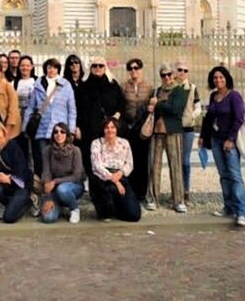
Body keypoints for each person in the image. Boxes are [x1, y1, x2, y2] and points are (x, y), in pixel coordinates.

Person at [199, 65, 245, 227]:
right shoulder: (214, 96)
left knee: (235, 175)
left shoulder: (234, 96)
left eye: (221, 77)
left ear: (227, 78)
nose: (218, 80)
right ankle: (228, 207)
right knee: (223, 175)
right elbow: (208, 118)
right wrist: (202, 136)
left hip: (229, 141)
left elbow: (239, 118)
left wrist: (231, 139)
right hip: (215, 140)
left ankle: (241, 211)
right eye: (215, 78)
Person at [146, 63, 188, 213]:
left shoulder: (179, 91)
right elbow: (156, 108)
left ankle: (178, 200)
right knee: (154, 166)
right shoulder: (157, 90)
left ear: (173, 75)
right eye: (164, 75)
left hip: (173, 131)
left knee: (175, 166)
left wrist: (158, 104)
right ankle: (153, 197)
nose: (167, 77)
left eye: (169, 74)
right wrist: (153, 107)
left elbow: (175, 110)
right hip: (157, 132)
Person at [24, 58, 77, 177]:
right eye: (49, 67)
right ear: (45, 69)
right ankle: (42, 185)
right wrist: (25, 127)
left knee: (59, 159)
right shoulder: (38, 85)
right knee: (42, 160)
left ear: (58, 69)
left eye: (54, 67)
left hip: (60, 129)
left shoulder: (66, 85)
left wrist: (71, 130)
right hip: (42, 128)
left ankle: (57, 185)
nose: (52, 70)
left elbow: (72, 110)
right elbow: (31, 107)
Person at [79, 56, 124, 180]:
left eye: (100, 65)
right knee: (91, 155)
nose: (97, 68)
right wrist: (77, 126)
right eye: (94, 66)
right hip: (89, 127)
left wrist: (117, 115)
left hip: (108, 127)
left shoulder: (112, 84)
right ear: (90, 68)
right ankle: (92, 181)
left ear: (105, 68)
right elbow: (77, 106)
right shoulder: (84, 85)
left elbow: (121, 102)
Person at [89, 118, 141, 222]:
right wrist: (116, 181)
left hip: (120, 175)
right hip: (102, 178)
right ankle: (105, 209)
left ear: (117, 129)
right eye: (107, 127)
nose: (110, 130)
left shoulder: (124, 143)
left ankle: (117, 208)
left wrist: (121, 173)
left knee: (134, 215)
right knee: (110, 193)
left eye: (113, 127)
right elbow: (96, 166)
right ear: (103, 129)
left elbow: (129, 163)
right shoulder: (96, 143)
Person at [0, 121, 33, 223]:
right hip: (6, 186)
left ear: (3, 132)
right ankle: (12, 205)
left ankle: (27, 203)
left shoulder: (13, 147)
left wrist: (7, 177)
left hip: (20, 186)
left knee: (8, 218)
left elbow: (21, 169)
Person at [121, 58, 154, 203]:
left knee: (142, 159)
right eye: (131, 68)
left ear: (141, 69)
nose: (134, 71)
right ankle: (130, 189)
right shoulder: (124, 86)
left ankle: (142, 191)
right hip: (128, 127)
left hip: (142, 128)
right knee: (128, 159)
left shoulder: (149, 87)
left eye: (136, 67)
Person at [39, 122, 85, 224]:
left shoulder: (75, 151)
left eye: (62, 132)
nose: (59, 134)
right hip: (54, 189)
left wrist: (55, 181)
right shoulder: (47, 150)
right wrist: (48, 197)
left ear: (67, 134)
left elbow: (77, 176)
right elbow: (46, 173)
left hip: (74, 186)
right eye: (56, 132)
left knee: (62, 189)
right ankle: (60, 207)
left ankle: (74, 209)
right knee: (48, 218)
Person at [174, 59, 202, 198]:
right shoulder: (171, 86)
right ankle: (176, 189)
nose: (182, 72)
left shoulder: (192, 87)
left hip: (187, 129)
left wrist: (192, 117)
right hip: (173, 128)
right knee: (175, 161)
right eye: (180, 69)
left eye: (185, 70)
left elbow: (198, 107)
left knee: (185, 161)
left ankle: (186, 190)